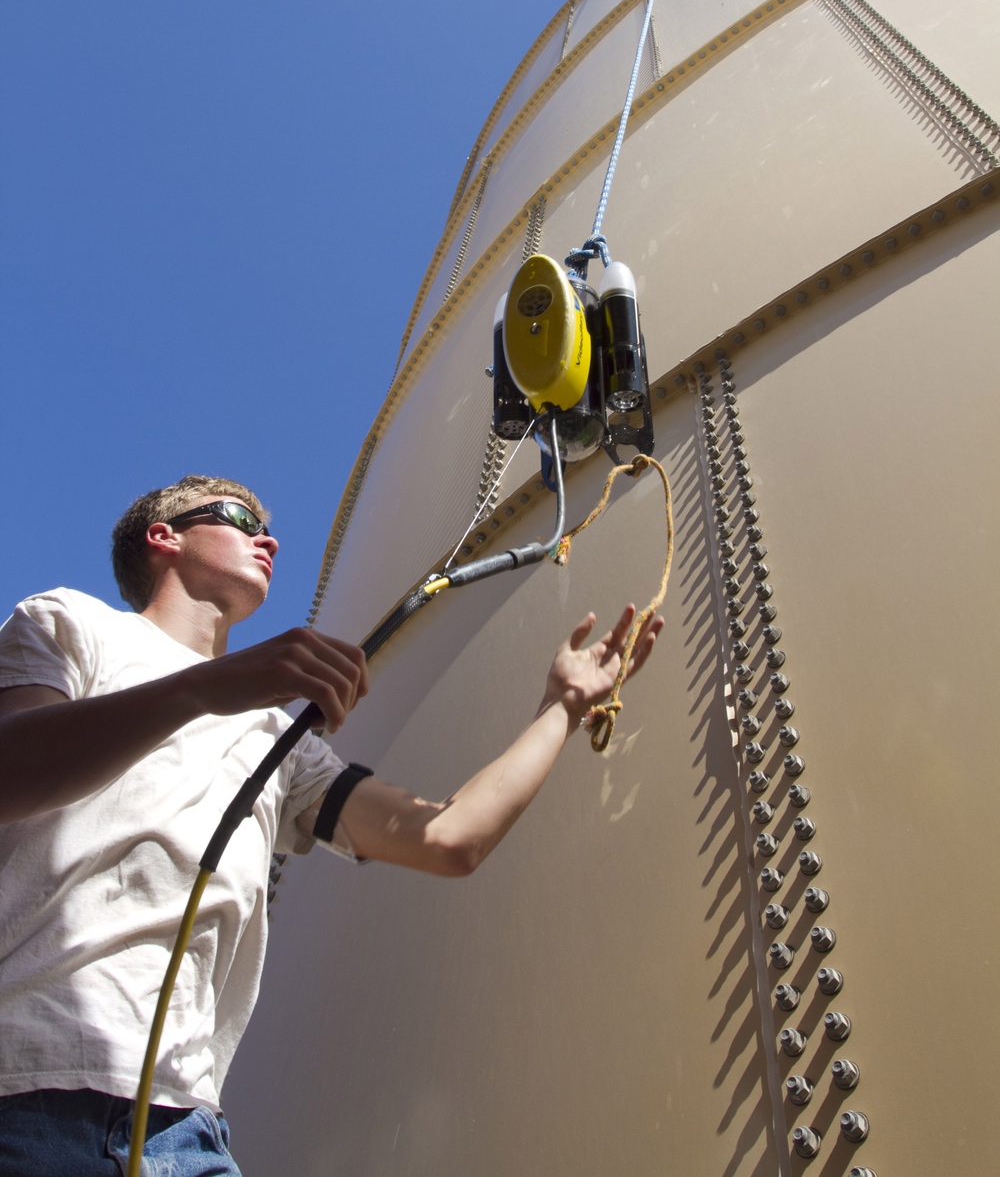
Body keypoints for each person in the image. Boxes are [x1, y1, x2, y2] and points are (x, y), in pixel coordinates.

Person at [0, 474, 662, 1176]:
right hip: (30, 1089)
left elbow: (447, 837)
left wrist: (560, 708)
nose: (269, 537)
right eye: (238, 518)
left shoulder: (274, 738)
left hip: (188, 1130)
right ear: (163, 538)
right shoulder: (69, 623)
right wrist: (204, 689)